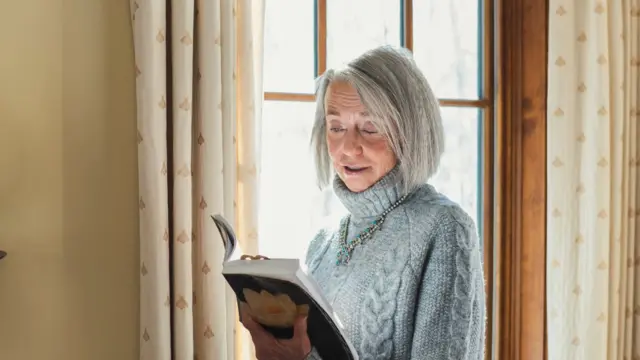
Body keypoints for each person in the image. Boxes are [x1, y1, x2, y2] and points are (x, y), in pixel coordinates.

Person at [241, 45, 486, 360]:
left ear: (410, 129)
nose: (348, 148)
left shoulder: (445, 228)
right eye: (336, 127)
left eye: (369, 127)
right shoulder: (322, 244)